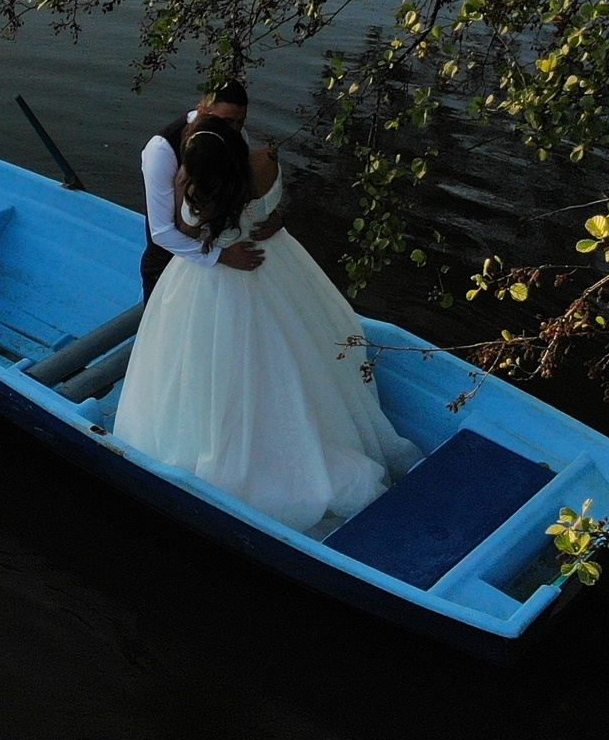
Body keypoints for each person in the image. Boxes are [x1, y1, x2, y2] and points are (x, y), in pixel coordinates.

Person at [115, 113, 420, 534]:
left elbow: (185, 228)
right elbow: (269, 213)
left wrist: (184, 186)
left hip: (215, 285)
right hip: (276, 266)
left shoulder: (199, 194)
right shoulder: (265, 165)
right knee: (295, 350)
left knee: (213, 369)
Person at [139, 80, 283, 296]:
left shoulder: (235, 137)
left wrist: (271, 217)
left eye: (239, 121)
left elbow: (242, 194)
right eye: (226, 121)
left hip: (230, 259)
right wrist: (221, 256)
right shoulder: (161, 151)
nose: (234, 130)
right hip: (170, 266)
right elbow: (161, 232)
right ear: (202, 111)